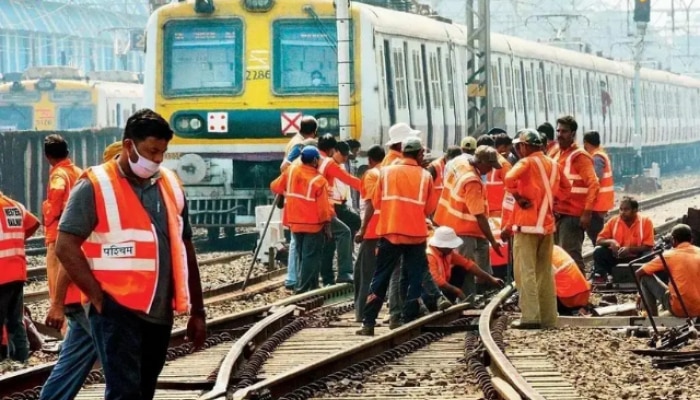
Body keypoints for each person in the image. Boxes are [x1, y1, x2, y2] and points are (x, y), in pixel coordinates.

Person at [56, 109, 206, 400]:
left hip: (158, 312)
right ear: (129, 146)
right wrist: (96, 297)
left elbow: (186, 248)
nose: (158, 159)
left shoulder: (171, 184)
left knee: (144, 389)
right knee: (124, 392)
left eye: (163, 152)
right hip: (115, 310)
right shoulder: (94, 184)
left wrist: (197, 311)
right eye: (152, 151)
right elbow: (65, 245)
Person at [41, 143, 121, 400]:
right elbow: (71, 255)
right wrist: (57, 303)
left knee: (73, 363)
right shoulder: (94, 195)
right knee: (119, 362)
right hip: (86, 300)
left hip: (83, 300)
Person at [357, 137, 438, 336]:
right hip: (416, 235)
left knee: (381, 277)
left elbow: (376, 202)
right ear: (419, 154)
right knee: (414, 276)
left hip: (390, 232)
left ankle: (368, 323)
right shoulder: (426, 176)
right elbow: (429, 208)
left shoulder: (385, 173)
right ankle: (409, 318)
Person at [502, 129, 569, 329]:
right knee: (545, 273)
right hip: (547, 226)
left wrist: (518, 197)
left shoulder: (526, 162)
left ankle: (530, 317)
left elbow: (508, 179)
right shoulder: (554, 165)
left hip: (527, 226)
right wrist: (551, 202)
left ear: (524, 146)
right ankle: (549, 318)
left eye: (519, 146)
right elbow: (567, 190)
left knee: (525, 272)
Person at [433, 146, 504, 296]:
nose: (491, 170)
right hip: (463, 228)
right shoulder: (472, 181)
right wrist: (493, 241)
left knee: (479, 263)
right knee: (467, 268)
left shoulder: (461, 161)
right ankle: (468, 300)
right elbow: (479, 215)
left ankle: (481, 292)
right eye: (490, 166)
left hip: (455, 222)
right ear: (481, 162)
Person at [271, 146, 333, 293]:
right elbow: (323, 208)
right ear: (315, 161)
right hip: (313, 225)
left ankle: (310, 287)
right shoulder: (319, 181)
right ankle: (303, 289)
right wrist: (327, 226)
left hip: (294, 223)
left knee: (300, 255)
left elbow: (275, 186)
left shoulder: (291, 171)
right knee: (310, 257)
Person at [549, 115, 600, 272]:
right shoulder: (556, 154)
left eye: (564, 131)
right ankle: (565, 293)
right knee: (558, 257)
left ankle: (580, 293)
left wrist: (587, 213)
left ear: (573, 134)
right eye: (558, 131)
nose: (559, 134)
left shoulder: (579, 156)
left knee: (571, 256)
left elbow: (594, 184)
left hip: (572, 215)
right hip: (557, 213)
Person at [42, 134, 83, 308]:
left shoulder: (58, 174)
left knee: (57, 284)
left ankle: (62, 316)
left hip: (58, 235)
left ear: (48, 157)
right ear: (67, 152)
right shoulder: (79, 172)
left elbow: (57, 191)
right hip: (78, 234)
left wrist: (49, 211)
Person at [0, 192, 40, 362]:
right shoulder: (15, 205)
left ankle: (3, 361)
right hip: (17, 271)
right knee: (16, 321)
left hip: (2, 272)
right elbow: (33, 223)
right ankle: (21, 360)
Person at [317, 134, 361, 285]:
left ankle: (328, 278)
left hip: (322, 205)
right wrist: (370, 186)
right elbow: (348, 179)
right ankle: (345, 272)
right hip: (328, 206)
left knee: (328, 243)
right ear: (333, 150)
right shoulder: (329, 163)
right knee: (345, 231)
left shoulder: (321, 160)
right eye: (343, 154)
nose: (345, 158)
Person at [636, 224, 700, 317]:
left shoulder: (669, 255)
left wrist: (639, 294)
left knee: (645, 277)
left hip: (680, 309)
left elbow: (639, 272)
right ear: (691, 239)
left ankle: (653, 319)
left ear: (673, 240)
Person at [427, 226, 504, 302]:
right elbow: (435, 279)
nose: (452, 248)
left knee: (460, 269)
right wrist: (456, 290)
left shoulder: (448, 253)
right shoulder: (430, 255)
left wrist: (491, 278)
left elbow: (468, 264)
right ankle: (438, 303)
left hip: (443, 288)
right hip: (431, 292)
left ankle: (449, 300)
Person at [353, 145, 385, 322]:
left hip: (372, 231)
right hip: (389, 229)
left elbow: (369, 204)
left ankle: (362, 313)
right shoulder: (389, 173)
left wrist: (362, 229)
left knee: (364, 274)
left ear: (370, 160)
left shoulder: (371, 175)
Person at [592, 196, 654, 283]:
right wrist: (611, 242)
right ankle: (600, 277)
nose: (622, 212)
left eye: (626, 210)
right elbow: (599, 240)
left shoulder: (646, 222)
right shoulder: (613, 221)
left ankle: (644, 278)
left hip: (637, 258)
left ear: (635, 210)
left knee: (649, 254)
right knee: (598, 251)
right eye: (621, 209)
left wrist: (629, 250)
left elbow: (648, 246)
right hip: (616, 258)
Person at [583, 131, 615, 246]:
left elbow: (595, 179)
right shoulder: (601, 154)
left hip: (597, 203)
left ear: (586, 143)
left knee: (596, 234)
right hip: (601, 202)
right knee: (597, 232)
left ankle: (602, 256)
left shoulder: (596, 157)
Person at [551, 245, 592, 315]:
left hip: (567, 297)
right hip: (582, 292)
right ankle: (580, 308)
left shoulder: (541, 253)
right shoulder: (554, 248)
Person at [485, 134, 513, 218]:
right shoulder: (504, 164)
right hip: (500, 211)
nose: (509, 153)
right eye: (509, 149)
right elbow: (512, 187)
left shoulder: (484, 160)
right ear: (502, 147)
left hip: (487, 210)